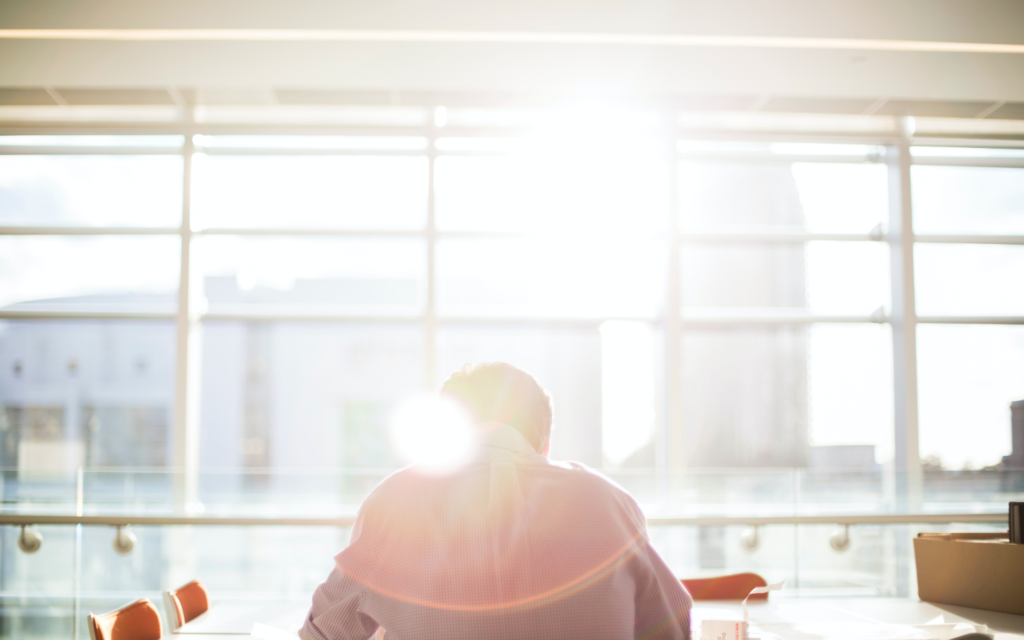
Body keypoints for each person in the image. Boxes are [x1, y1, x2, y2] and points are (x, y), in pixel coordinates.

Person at [300, 362, 692, 640]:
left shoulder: (394, 503)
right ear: (545, 442)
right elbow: (673, 625)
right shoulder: (609, 502)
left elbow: (321, 635)